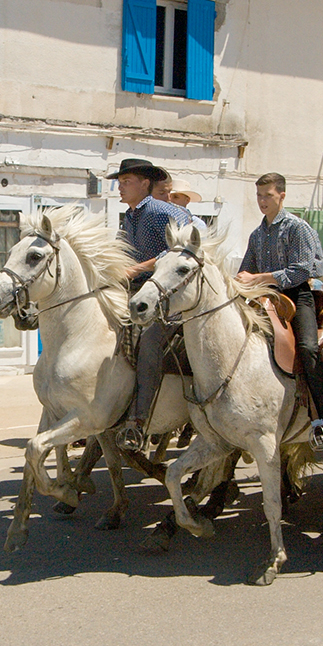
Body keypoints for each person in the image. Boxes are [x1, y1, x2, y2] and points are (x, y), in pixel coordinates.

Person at [237, 172, 323, 449]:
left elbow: (303, 270)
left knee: (308, 347)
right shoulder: (257, 234)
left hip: (297, 295)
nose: (262, 201)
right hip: (265, 298)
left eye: (267, 195)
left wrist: (259, 278)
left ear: (282, 195)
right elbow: (247, 269)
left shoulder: (296, 227)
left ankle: (320, 421)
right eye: (258, 195)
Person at [111, 157, 192, 452]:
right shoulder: (128, 216)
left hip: (165, 293)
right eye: (119, 183)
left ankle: (139, 420)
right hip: (134, 292)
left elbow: (178, 250)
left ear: (145, 184)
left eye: (126, 182)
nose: (120, 188)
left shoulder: (160, 211)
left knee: (149, 343)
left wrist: (136, 268)